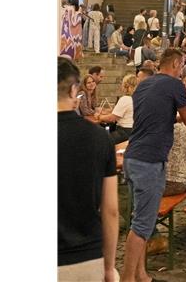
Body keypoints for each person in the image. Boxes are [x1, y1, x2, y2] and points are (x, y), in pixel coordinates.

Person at [119, 49, 186, 282]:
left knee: (141, 218)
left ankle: (141, 274)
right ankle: (128, 278)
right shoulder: (174, 85)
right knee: (142, 223)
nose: (182, 70)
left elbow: (155, 116)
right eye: (182, 66)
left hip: (133, 156)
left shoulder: (144, 84)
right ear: (176, 63)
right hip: (150, 159)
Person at [57, 57, 119, 282]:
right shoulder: (99, 138)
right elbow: (110, 209)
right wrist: (109, 266)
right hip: (86, 257)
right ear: (75, 90)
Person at [98, 73, 138, 143]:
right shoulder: (137, 98)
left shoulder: (125, 99)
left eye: (122, 84)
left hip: (124, 132)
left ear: (126, 86)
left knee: (101, 141)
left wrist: (99, 116)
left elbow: (112, 118)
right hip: (134, 131)